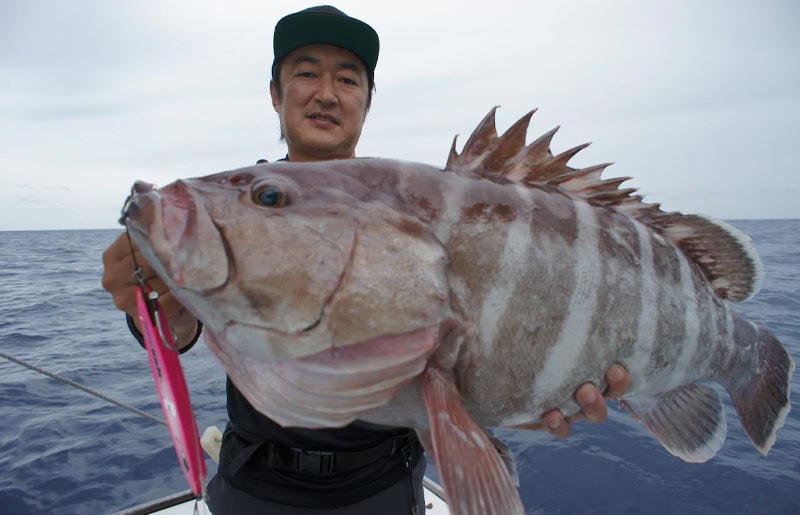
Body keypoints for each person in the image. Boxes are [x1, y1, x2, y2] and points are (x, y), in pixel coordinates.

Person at [101, 5, 631, 514]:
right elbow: (179, 328)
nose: (326, 93)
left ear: (367, 101)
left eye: (348, 79)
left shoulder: (418, 206)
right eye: (306, 73)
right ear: (275, 93)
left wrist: (529, 391)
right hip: (257, 485)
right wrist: (155, 308)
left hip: (384, 487)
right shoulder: (240, 212)